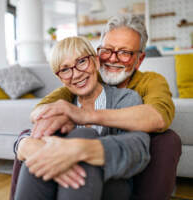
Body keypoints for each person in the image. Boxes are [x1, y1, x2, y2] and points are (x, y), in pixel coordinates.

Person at [26, 14, 181, 200]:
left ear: (139, 60)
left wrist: (84, 116)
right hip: (83, 163)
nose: (112, 59)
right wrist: (27, 141)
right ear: (97, 55)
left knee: (167, 139)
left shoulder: (148, 83)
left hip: (123, 161)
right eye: (107, 50)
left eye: (124, 52)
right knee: (35, 141)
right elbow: (42, 109)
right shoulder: (86, 77)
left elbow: (158, 117)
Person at [14, 36, 150, 200]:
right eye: (65, 70)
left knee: (85, 135)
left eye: (81, 62)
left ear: (96, 62)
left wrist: (82, 149)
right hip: (64, 186)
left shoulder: (126, 98)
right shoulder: (61, 105)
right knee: (38, 156)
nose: (76, 74)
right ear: (60, 79)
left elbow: (138, 150)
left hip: (113, 184)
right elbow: (33, 134)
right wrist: (23, 143)